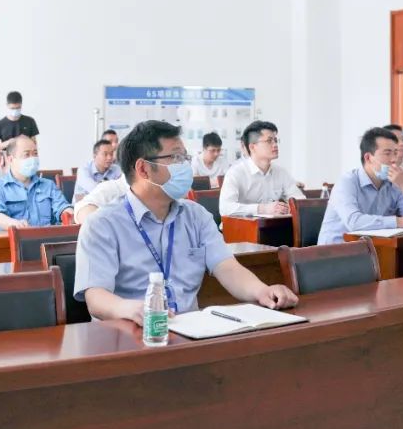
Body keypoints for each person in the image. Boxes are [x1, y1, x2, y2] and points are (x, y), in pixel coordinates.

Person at [73, 120, 297, 323]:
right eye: (176, 158)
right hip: (129, 333)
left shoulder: (196, 216)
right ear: (143, 169)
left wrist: (262, 291)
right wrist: (129, 309)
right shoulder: (102, 225)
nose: (185, 167)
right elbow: (96, 297)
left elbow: (227, 268)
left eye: (186, 158)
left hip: (190, 331)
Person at [318, 127, 403, 244]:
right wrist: (400, 222)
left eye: (395, 153)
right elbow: (353, 222)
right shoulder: (347, 182)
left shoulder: (395, 183)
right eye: (387, 153)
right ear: (368, 158)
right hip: (335, 251)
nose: (394, 159)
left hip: (373, 250)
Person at [0, 136, 72, 233]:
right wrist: (14, 224)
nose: (33, 158)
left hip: (47, 238)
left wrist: (70, 213)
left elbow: (62, 207)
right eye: (26, 154)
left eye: (35, 154)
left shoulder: (48, 185)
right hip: (11, 239)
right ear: (10, 159)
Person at [219, 121, 305, 217]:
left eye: (275, 140)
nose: (275, 145)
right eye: (269, 141)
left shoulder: (281, 172)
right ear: (252, 147)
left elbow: (300, 200)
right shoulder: (236, 172)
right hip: (240, 225)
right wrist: (262, 209)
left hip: (271, 224)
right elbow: (225, 208)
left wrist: (289, 208)